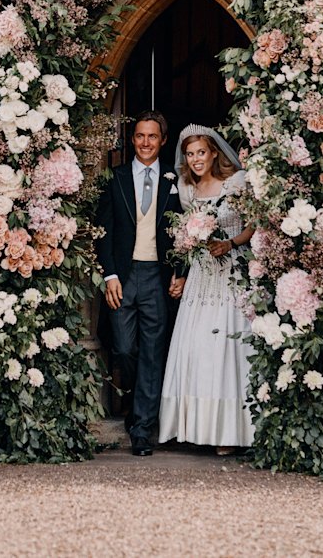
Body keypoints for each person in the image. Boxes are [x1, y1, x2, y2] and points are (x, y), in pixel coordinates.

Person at [158, 124, 255, 454]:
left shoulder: (236, 182)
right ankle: (196, 427)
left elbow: (253, 224)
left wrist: (230, 243)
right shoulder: (187, 189)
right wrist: (181, 273)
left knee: (227, 349)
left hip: (231, 272)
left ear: (214, 152)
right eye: (190, 154)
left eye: (201, 152)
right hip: (201, 276)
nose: (196, 159)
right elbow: (187, 240)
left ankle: (229, 433)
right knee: (197, 347)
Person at [96, 111, 184, 457]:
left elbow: (184, 233)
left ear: (163, 140)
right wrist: (109, 275)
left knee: (152, 352)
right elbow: (103, 230)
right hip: (123, 274)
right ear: (132, 140)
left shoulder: (174, 181)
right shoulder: (115, 178)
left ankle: (143, 429)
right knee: (123, 348)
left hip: (157, 277)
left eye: (152, 136)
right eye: (139, 136)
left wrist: (180, 271)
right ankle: (135, 402)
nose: (145, 143)